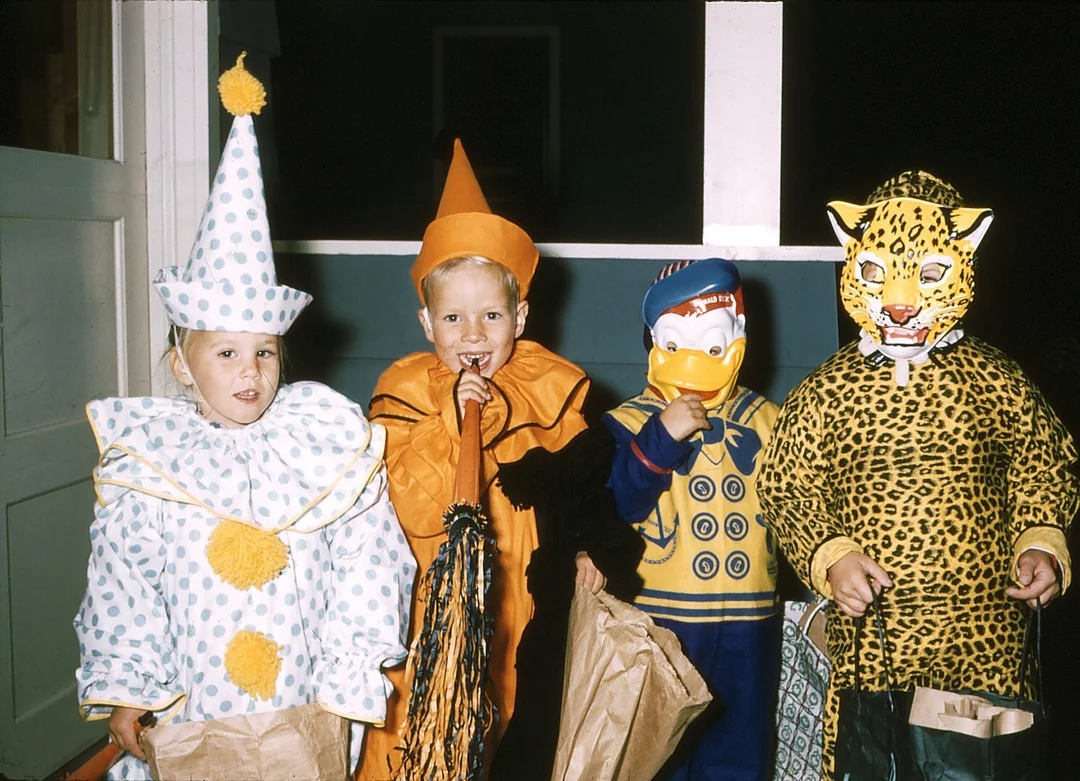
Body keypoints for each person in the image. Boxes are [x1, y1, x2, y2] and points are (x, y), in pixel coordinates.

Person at [72, 55, 416, 780]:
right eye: (225, 351)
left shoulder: (323, 445)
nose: (250, 372)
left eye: (264, 351)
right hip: (191, 700)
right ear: (181, 363)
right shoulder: (151, 461)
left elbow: (368, 558)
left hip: (302, 702)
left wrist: (350, 671)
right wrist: (131, 687)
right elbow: (125, 578)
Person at [757, 170, 1079, 776]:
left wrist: (1042, 541)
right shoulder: (828, 389)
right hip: (875, 646)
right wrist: (831, 556)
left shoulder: (996, 378)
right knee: (876, 762)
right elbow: (786, 485)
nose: (900, 299)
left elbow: (1045, 462)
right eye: (878, 273)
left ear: (963, 258)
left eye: (929, 275)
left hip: (985, 641)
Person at [356, 139, 622, 781]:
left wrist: (586, 547)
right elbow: (404, 499)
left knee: (511, 715)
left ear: (520, 317)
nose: (472, 335)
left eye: (491, 315)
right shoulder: (407, 391)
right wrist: (452, 418)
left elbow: (582, 485)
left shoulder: (546, 385)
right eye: (453, 317)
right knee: (417, 721)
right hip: (428, 595)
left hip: (520, 592)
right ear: (426, 324)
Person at [603, 258, 781, 781]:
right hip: (663, 621)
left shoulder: (769, 421)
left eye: (713, 344)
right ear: (653, 343)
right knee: (660, 746)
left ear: (738, 340)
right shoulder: (625, 423)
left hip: (751, 621)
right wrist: (658, 439)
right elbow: (616, 503)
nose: (696, 360)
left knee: (742, 745)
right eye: (677, 344)